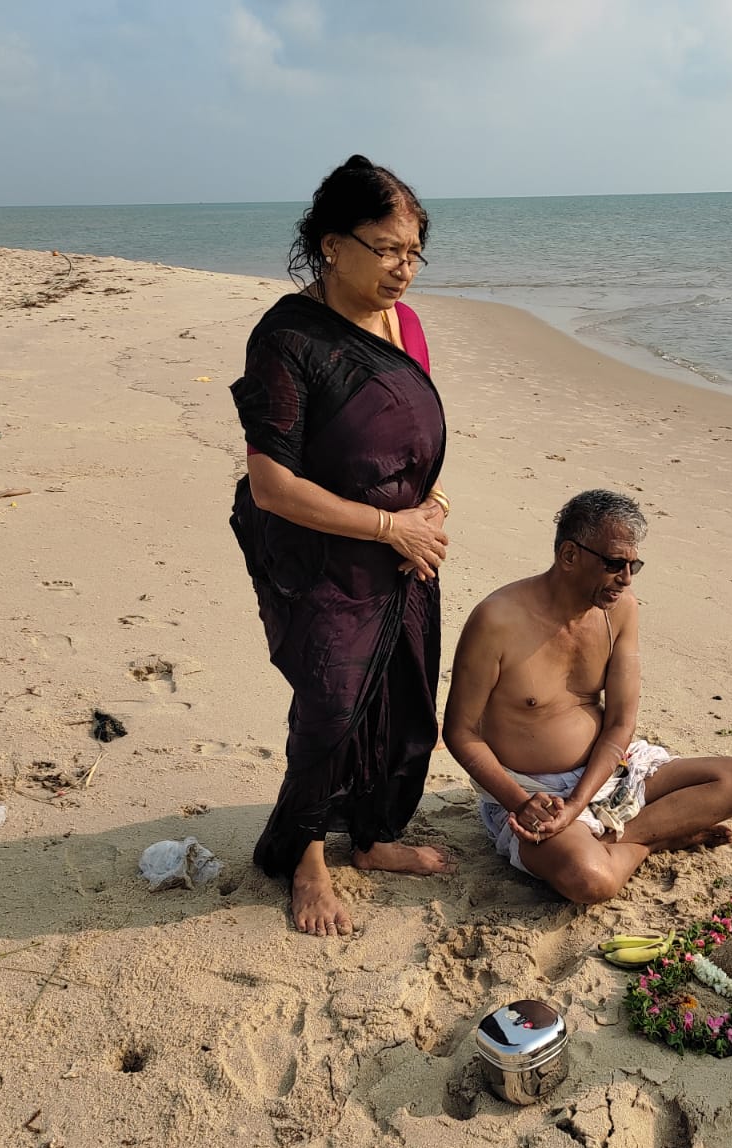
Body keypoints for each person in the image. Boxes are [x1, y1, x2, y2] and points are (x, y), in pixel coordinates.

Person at [229, 155, 454, 937]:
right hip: (319, 552)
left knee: (400, 698)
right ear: (331, 245)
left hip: (405, 550)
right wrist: (392, 526)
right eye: (387, 249)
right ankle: (306, 858)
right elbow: (271, 485)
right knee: (330, 706)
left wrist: (429, 508)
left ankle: (372, 835)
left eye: (415, 252)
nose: (404, 269)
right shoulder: (288, 339)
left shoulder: (407, 326)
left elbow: (409, 440)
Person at [443, 490, 732, 903]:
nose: (626, 578)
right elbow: (461, 732)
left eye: (634, 565)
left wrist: (578, 805)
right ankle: (655, 839)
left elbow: (621, 722)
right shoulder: (498, 620)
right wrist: (520, 803)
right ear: (570, 555)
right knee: (592, 880)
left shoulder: (621, 609)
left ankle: (621, 839)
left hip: (609, 774)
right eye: (614, 564)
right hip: (532, 794)